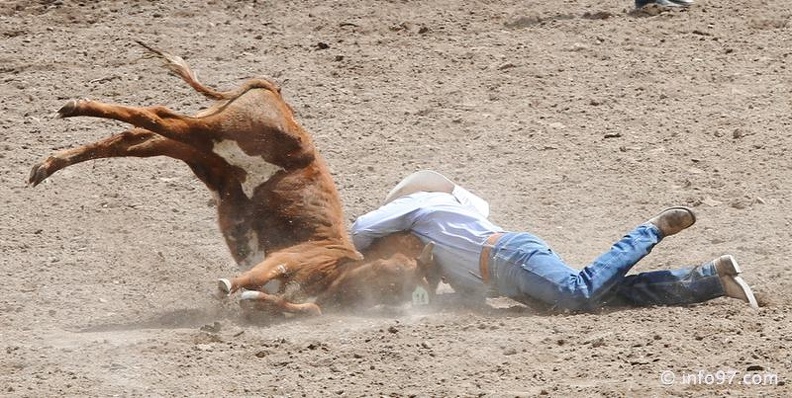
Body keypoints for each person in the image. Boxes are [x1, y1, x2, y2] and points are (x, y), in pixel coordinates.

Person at [350, 170, 758, 312]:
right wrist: (419, 303)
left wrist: (363, 256)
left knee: (576, 292)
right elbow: (461, 299)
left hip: (510, 256)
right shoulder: (440, 234)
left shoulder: (422, 204)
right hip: (509, 268)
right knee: (598, 298)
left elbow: (361, 229)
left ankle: (651, 230)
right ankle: (710, 279)